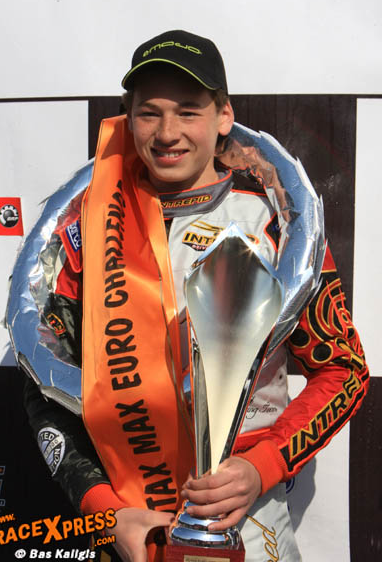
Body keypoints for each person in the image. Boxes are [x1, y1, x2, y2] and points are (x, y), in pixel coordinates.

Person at [22, 30, 368, 562]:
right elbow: (45, 389)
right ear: (127, 117)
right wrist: (102, 510)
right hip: (131, 537)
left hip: (251, 531)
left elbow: (343, 370)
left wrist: (263, 466)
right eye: (149, 113)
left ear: (224, 115)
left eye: (188, 112)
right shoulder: (82, 236)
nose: (167, 133)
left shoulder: (276, 226)